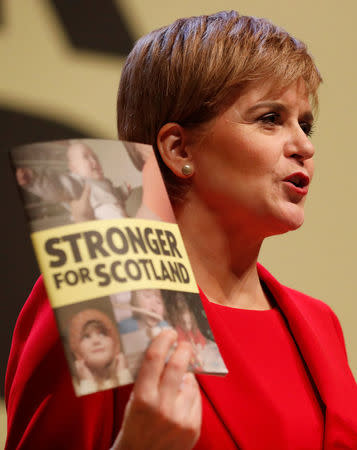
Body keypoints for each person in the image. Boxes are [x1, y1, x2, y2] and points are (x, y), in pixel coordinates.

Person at [5, 10, 357, 450]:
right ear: (178, 148)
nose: (304, 146)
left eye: (305, 125)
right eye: (270, 119)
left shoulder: (320, 324)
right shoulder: (100, 296)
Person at [16, 141, 129, 222]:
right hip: (100, 222)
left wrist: (124, 191)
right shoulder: (77, 182)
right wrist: (35, 179)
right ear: (73, 168)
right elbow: (57, 187)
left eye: (95, 157)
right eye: (86, 157)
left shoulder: (106, 182)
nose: (93, 161)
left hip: (123, 219)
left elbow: (114, 194)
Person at [67, 308, 133, 396]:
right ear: (76, 350)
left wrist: (123, 374)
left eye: (102, 334)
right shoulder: (74, 387)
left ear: (115, 343)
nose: (96, 341)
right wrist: (87, 382)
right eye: (86, 336)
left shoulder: (131, 375)